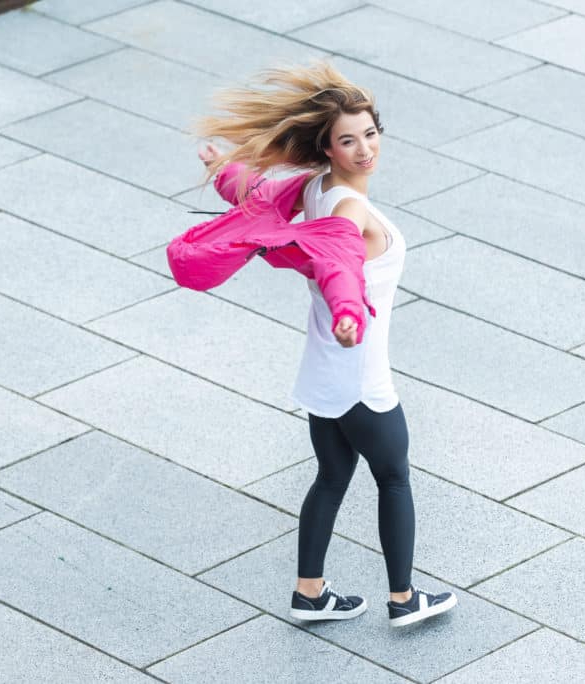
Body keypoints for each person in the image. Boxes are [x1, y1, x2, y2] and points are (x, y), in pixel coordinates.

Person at [194, 62, 456, 628]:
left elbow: (256, 192)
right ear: (329, 147)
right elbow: (340, 265)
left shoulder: (313, 189)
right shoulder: (349, 210)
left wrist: (224, 171)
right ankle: (404, 599)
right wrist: (345, 313)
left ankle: (309, 593)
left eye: (370, 134)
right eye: (348, 140)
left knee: (332, 477)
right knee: (394, 478)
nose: (364, 149)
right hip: (361, 372)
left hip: (322, 372)